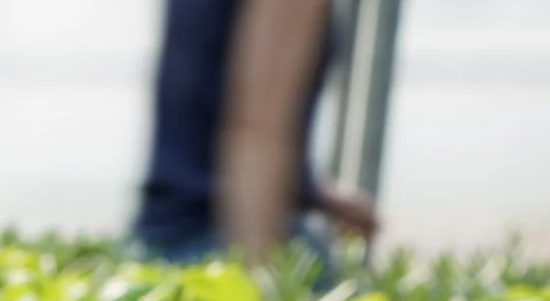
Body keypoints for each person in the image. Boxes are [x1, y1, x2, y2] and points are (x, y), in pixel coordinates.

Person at [132, 0, 381, 266]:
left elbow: (203, 102)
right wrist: (260, 279)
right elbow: (256, 130)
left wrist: (307, 188)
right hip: (220, 242)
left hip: (162, 237)